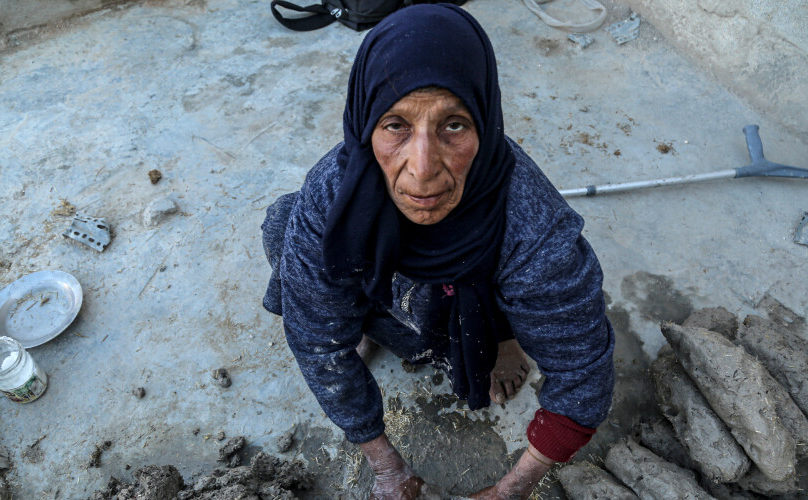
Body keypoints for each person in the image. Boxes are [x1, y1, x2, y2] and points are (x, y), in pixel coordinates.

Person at [261, 4, 614, 499]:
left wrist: (511, 489)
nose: (422, 169)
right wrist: (387, 467)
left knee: (511, 277)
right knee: (286, 223)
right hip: (405, 295)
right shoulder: (333, 193)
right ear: (365, 121)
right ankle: (365, 323)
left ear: (484, 122)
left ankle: (505, 339)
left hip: (469, 309)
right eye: (395, 125)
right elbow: (316, 341)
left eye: (453, 125)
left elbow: (584, 376)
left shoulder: (534, 225)